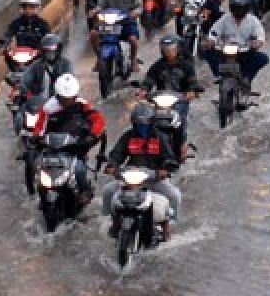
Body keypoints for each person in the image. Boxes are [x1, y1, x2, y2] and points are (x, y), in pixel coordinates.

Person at [102, 102, 182, 240]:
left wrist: (165, 169)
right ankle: (113, 221)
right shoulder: (128, 136)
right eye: (139, 124)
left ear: (152, 123)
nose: (142, 127)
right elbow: (117, 154)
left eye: (145, 124)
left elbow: (169, 158)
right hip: (131, 176)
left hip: (154, 177)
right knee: (108, 190)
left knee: (174, 195)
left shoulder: (161, 138)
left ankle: (167, 227)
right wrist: (112, 165)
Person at [34, 73, 106, 199]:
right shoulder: (48, 108)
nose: (67, 101)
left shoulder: (83, 105)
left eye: (70, 98)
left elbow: (98, 120)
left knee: (79, 168)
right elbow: (40, 127)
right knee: (40, 169)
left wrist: (92, 135)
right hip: (53, 148)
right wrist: (37, 138)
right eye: (63, 98)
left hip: (75, 147)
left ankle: (84, 191)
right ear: (57, 95)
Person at [139, 35, 200, 159]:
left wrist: (191, 92)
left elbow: (192, 82)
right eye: (166, 49)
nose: (169, 52)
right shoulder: (157, 66)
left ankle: (182, 146)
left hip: (180, 100)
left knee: (179, 120)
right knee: (145, 118)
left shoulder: (186, 66)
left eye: (172, 48)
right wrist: (144, 91)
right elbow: (148, 81)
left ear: (178, 49)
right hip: (160, 101)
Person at [203, 0, 270, 81]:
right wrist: (210, 41)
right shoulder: (224, 19)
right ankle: (219, 75)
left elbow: (260, 37)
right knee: (207, 52)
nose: (238, 11)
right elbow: (214, 32)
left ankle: (246, 77)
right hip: (225, 52)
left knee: (263, 58)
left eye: (240, 8)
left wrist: (257, 43)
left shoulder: (253, 21)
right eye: (235, 8)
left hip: (244, 52)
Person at [90, 0, 142, 72]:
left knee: (133, 40)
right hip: (109, 24)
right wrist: (94, 11)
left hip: (126, 23)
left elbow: (139, 7)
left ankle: (133, 61)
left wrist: (135, 13)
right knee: (94, 35)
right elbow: (100, 5)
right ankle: (99, 59)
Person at [15, 33, 72, 101]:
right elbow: (27, 77)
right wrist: (20, 89)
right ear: (43, 51)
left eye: (53, 51)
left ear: (58, 50)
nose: (50, 53)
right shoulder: (37, 64)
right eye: (47, 51)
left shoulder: (66, 64)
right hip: (38, 102)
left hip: (59, 101)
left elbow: (70, 82)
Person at [0, 0, 51, 64]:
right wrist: (3, 46)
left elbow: (49, 38)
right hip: (20, 57)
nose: (28, 10)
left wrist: (45, 48)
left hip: (38, 57)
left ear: (37, 8)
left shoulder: (43, 24)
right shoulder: (16, 23)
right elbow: (8, 35)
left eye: (31, 7)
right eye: (25, 7)